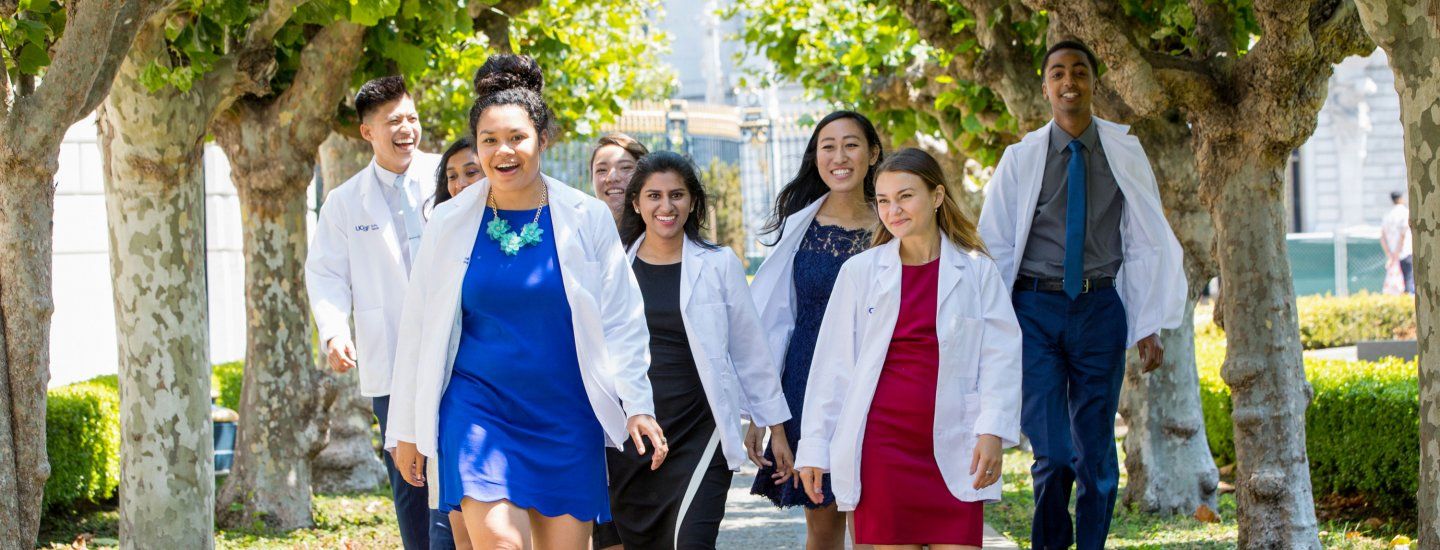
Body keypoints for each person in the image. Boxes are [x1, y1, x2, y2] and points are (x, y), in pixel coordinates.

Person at [383, 54, 667, 549]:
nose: (503, 151)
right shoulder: (449, 224)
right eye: (489, 141)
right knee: (503, 545)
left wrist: (637, 405)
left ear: (542, 139)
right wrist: (406, 429)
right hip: (477, 409)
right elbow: (418, 330)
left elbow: (622, 319)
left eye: (516, 137)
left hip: (565, 413)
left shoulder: (586, 218)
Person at [977, 40, 1186, 549]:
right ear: (1045, 86)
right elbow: (995, 242)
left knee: (1094, 455)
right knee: (1051, 452)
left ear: (1094, 81)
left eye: (1079, 72)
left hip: (1099, 309)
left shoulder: (1123, 153)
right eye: (1057, 73)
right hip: (1034, 310)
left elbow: (1144, 239)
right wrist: (990, 325)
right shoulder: (1020, 158)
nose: (1068, 81)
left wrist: (1147, 323)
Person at [795, 148, 1022, 549]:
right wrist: (814, 448)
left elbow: (1001, 358)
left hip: (956, 446)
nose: (892, 210)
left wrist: (991, 431)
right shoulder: (860, 273)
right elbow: (831, 367)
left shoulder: (977, 271)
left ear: (936, 197)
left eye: (905, 196)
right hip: (882, 449)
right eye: (883, 200)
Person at [590, 151, 792, 549]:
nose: (666, 207)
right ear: (636, 203)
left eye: (677, 195)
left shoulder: (719, 265)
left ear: (693, 201)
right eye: (654, 196)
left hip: (701, 429)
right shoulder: (611, 268)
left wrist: (775, 429)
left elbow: (751, 350)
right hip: (628, 436)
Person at [304, 75, 445, 550]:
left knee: (459, 466)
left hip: (457, 352)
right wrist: (333, 332)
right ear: (367, 132)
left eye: (412, 118)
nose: (406, 129)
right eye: (393, 122)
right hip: (393, 361)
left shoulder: (450, 176)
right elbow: (326, 274)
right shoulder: (344, 202)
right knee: (410, 477)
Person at [748, 110, 882, 549]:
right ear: (816, 157)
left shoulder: (894, 224)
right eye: (828, 146)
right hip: (808, 384)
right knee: (823, 526)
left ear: (873, 153)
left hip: (880, 381)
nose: (839, 156)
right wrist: (762, 415)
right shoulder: (798, 226)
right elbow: (772, 325)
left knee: (876, 523)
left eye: (851, 144)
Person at [591, 132, 650, 221]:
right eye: (602, 170)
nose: (612, 178)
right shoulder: (581, 229)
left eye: (625, 167)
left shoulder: (661, 231)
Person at [1382, 190, 1413, 295]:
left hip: (1393, 255)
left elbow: (1382, 237)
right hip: (1405, 252)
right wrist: (1397, 252)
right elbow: (1403, 234)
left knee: (1396, 284)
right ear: (1400, 198)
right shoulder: (1405, 213)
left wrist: (1390, 255)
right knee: (1408, 280)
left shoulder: (1388, 216)